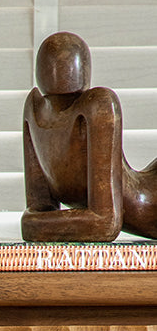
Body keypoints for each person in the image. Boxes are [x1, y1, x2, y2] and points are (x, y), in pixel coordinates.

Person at [22, 31, 157, 241]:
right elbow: (37, 213)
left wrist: (35, 224)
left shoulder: (97, 103)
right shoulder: (34, 110)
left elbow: (105, 223)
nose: (58, 70)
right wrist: (33, 224)